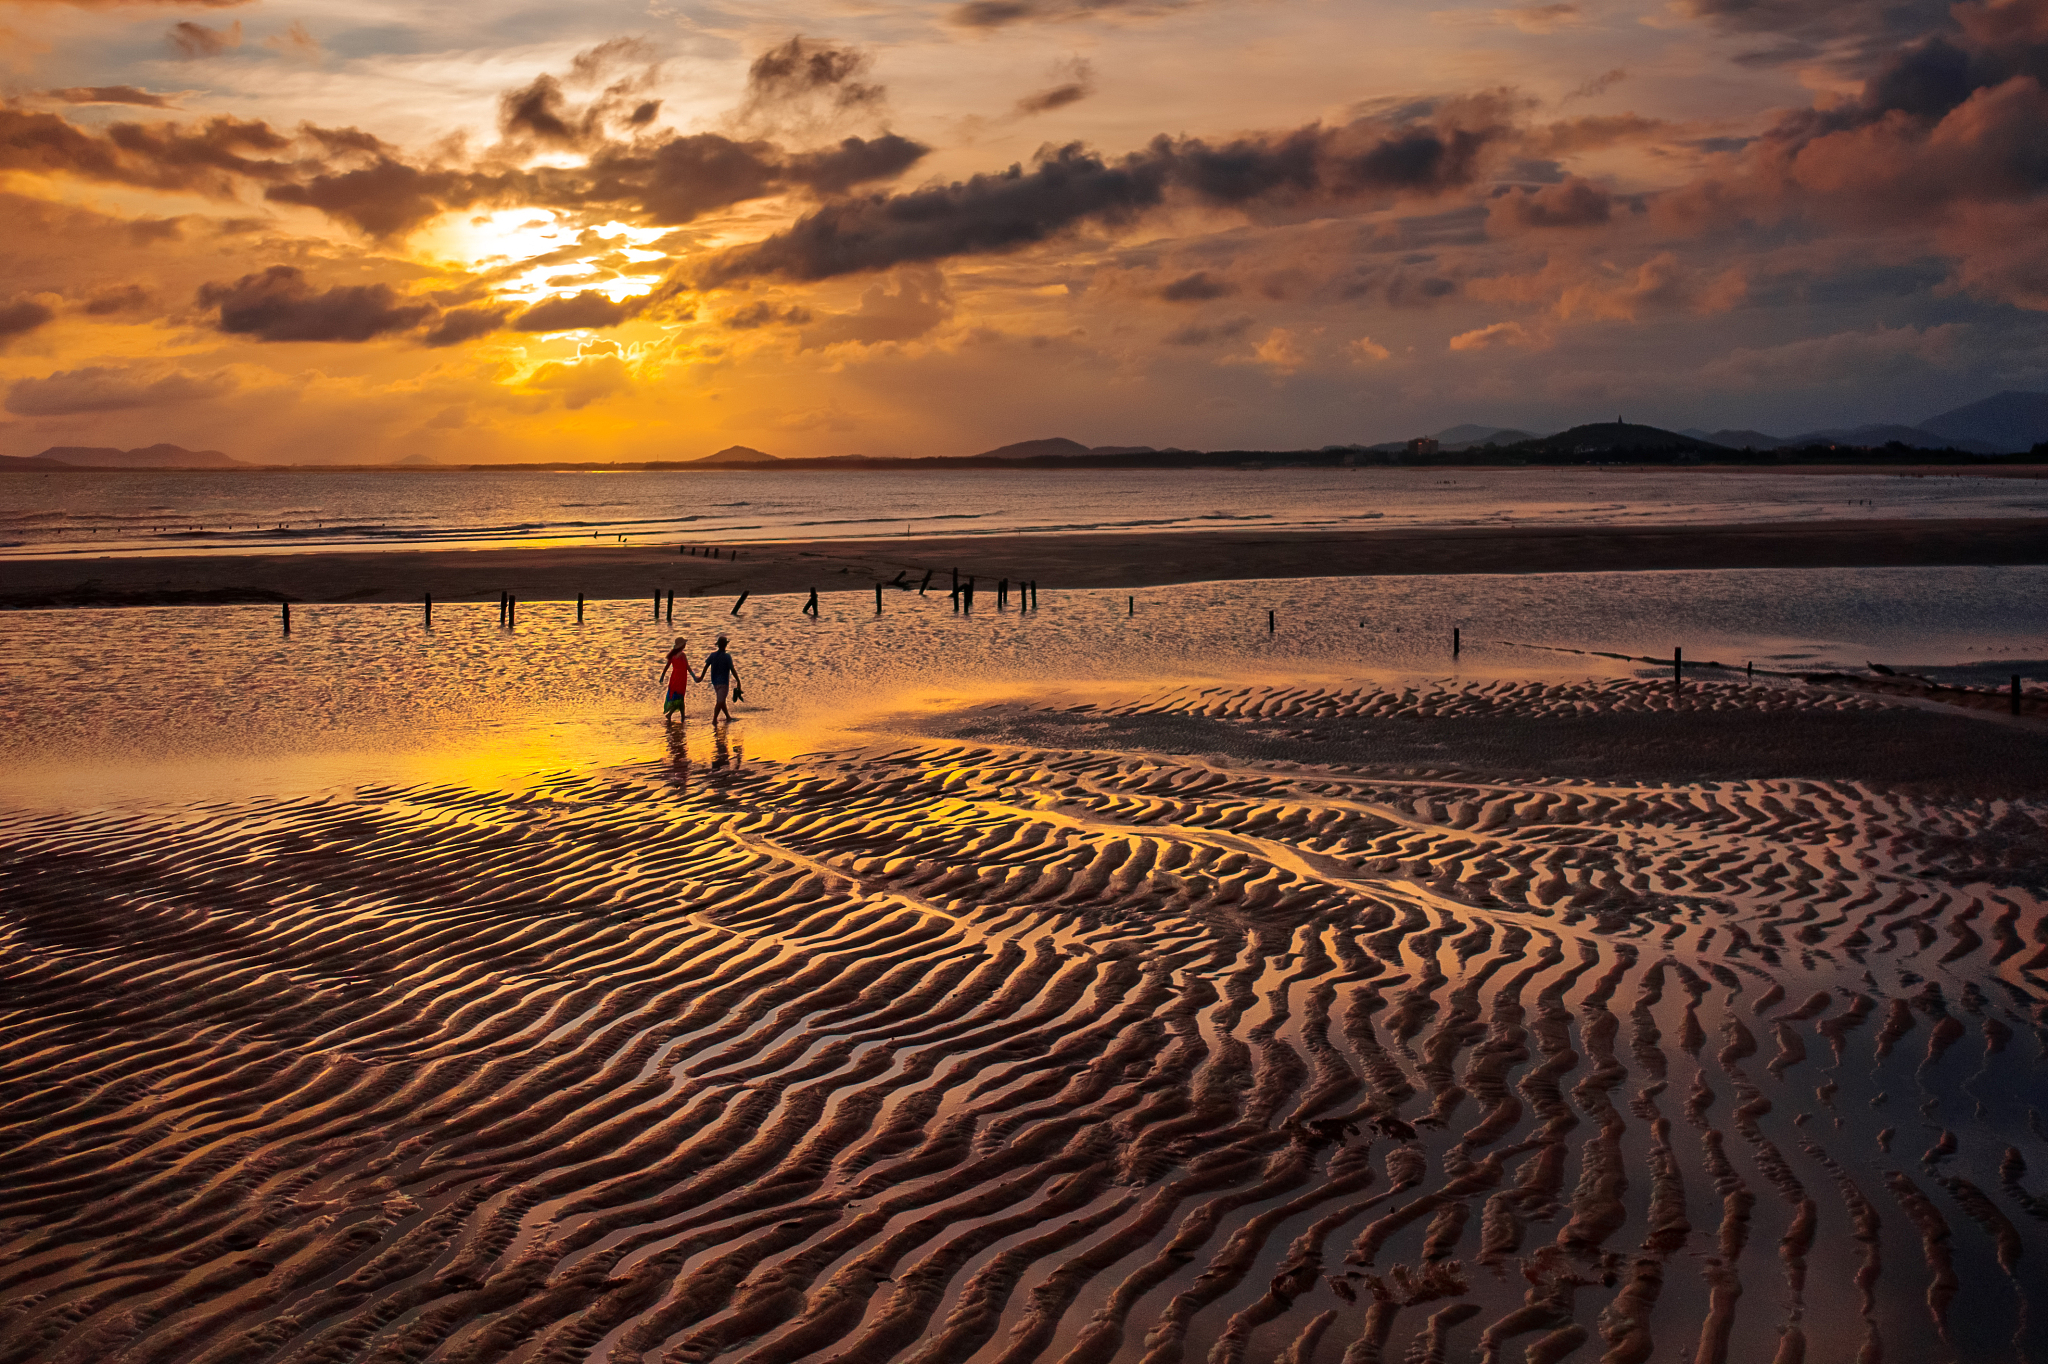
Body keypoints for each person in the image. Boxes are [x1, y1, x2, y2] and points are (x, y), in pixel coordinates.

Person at [658, 637, 698, 720]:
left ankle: (683, 716)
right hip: (681, 678)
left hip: (674, 677)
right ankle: (671, 715)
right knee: (680, 697)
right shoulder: (682, 655)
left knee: (679, 697)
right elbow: (687, 667)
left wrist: (662, 675)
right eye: (684, 643)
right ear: (682, 645)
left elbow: (667, 666)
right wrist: (694, 677)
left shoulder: (672, 655)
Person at [705, 634, 740, 722]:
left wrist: (701, 676)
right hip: (723, 683)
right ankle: (714, 720)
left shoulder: (713, 655)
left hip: (715, 682)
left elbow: (706, 666)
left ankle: (728, 717)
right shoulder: (727, 657)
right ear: (725, 645)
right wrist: (738, 680)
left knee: (722, 700)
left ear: (718, 645)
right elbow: (732, 669)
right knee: (720, 701)